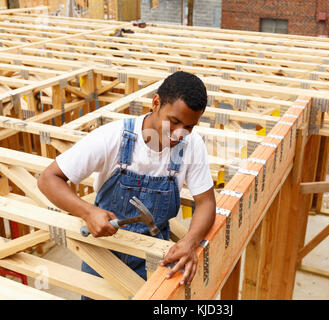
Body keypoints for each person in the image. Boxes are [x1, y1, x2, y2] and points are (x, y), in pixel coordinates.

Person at [37, 71, 216, 297]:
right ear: (156, 103)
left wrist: (190, 242)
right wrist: (88, 212)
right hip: (103, 255)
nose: (179, 134)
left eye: (189, 127)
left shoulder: (191, 145)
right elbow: (48, 179)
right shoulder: (114, 137)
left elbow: (207, 202)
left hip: (155, 256)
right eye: (174, 121)